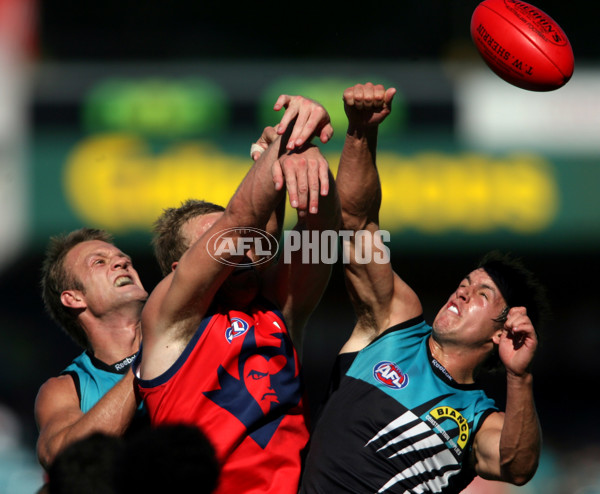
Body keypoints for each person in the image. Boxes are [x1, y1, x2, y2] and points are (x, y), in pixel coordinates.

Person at [299, 83, 549, 493]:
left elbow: (517, 467)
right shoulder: (394, 325)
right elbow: (357, 227)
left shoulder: (477, 419)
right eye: (465, 283)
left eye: (482, 295)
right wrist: (361, 130)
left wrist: (519, 378)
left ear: (502, 334)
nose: (462, 292)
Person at [132, 95, 340, 494]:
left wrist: (306, 156)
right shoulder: (168, 321)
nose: (243, 248)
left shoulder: (279, 313)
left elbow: (323, 237)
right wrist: (287, 139)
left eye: (249, 245)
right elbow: (240, 219)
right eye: (224, 245)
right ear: (179, 271)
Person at [34, 228, 149, 472]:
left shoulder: (186, 336)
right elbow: (63, 456)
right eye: (99, 262)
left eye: (124, 259)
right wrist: (142, 366)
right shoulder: (65, 389)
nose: (122, 262)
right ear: (74, 298)